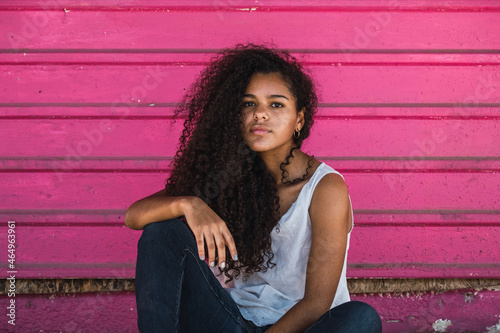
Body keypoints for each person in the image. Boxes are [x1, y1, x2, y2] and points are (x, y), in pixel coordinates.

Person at [124, 44, 382, 333]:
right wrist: (189, 204)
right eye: (249, 104)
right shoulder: (228, 174)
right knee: (163, 231)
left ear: (299, 118)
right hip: (231, 320)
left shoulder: (325, 188)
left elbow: (317, 303)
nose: (260, 114)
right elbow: (134, 216)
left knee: (361, 318)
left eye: (276, 104)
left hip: (302, 328)